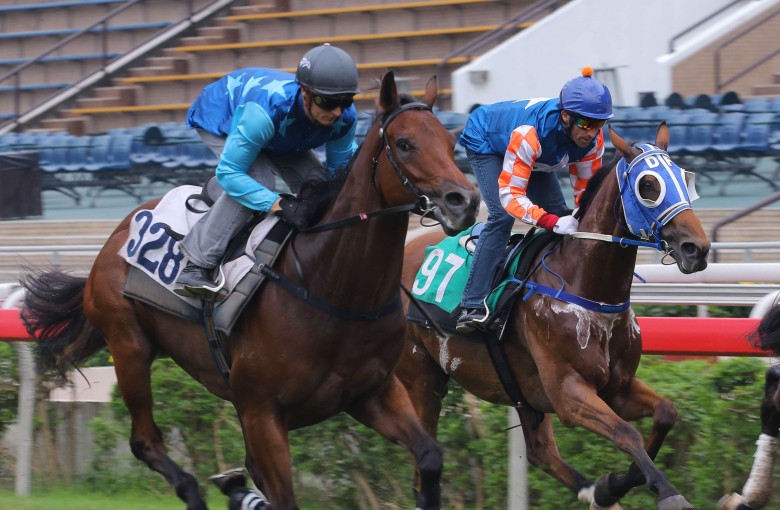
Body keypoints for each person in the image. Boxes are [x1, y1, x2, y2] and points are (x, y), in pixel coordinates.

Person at [174, 43, 360, 299]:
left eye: (345, 101)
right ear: (305, 93)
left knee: (319, 186)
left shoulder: (345, 118)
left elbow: (339, 176)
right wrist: (278, 205)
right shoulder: (266, 111)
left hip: (280, 134)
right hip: (224, 116)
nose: (337, 112)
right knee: (258, 179)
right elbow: (231, 173)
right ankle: (196, 264)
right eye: (327, 102)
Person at [455, 67, 613, 333]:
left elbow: (585, 194)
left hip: (536, 156)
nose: (592, 132)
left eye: (599, 124)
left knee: (562, 213)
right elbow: (510, 196)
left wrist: (573, 218)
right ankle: (471, 304)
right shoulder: (530, 135)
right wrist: (549, 221)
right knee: (502, 218)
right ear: (566, 116)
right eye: (586, 124)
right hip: (488, 141)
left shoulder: (593, 141)